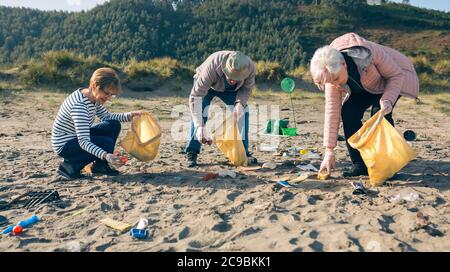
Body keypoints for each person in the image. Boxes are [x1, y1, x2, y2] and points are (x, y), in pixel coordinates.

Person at [310, 32, 419, 177]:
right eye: (331, 82)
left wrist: (387, 100)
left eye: (336, 79)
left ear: (344, 64)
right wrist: (329, 151)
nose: (336, 84)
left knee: (379, 114)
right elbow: (332, 111)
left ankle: (387, 166)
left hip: (388, 81)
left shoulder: (370, 53)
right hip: (362, 89)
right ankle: (360, 164)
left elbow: (396, 75)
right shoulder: (330, 74)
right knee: (348, 113)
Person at [51, 67, 142, 179]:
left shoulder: (92, 97)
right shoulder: (80, 106)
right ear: (94, 86)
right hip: (64, 144)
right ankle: (69, 166)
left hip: (76, 137)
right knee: (106, 143)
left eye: (111, 95)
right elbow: (84, 142)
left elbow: (107, 116)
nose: (109, 98)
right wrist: (106, 155)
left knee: (113, 124)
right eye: (106, 93)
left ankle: (100, 166)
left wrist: (131, 115)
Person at [185, 50, 257, 167]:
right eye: (231, 76)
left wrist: (239, 104)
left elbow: (246, 88)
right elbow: (196, 97)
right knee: (200, 113)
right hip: (207, 86)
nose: (233, 80)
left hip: (232, 91)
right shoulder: (212, 67)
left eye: (237, 78)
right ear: (225, 68)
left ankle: (244, 153)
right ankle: (192, 152)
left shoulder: (250, 67)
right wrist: (199, 126)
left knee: (243, 113)